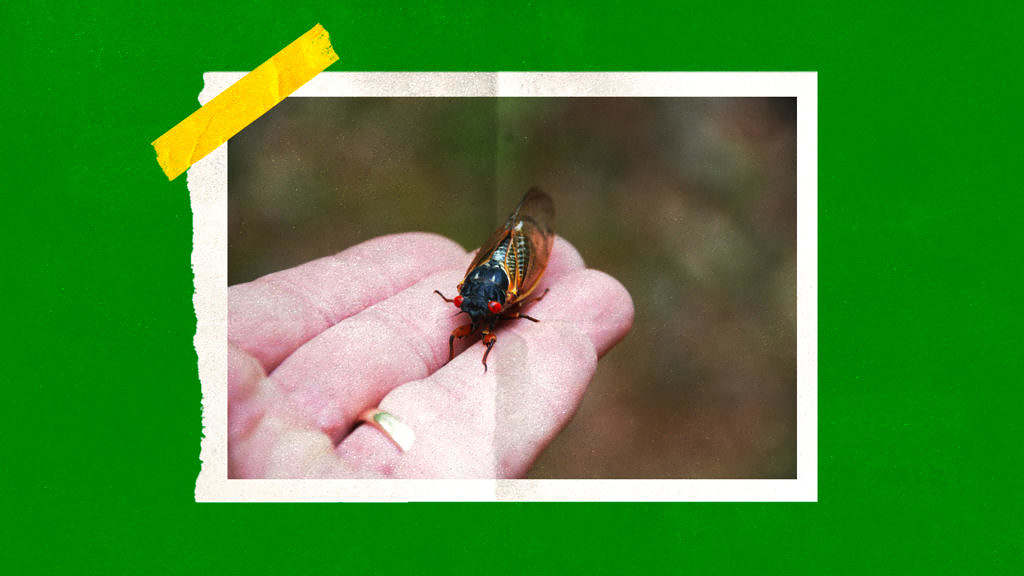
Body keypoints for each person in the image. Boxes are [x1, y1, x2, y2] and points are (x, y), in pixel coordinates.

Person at [228, 232, 633, 478]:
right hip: (488, 276)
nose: (466, 311)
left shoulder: (504, 303)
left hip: (510, 276)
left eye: (482, 310)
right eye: (460, 302)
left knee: (527, 284)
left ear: (497, 308)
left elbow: (505, 312)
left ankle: (519, 253)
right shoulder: (469, 304)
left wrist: (512, 308)